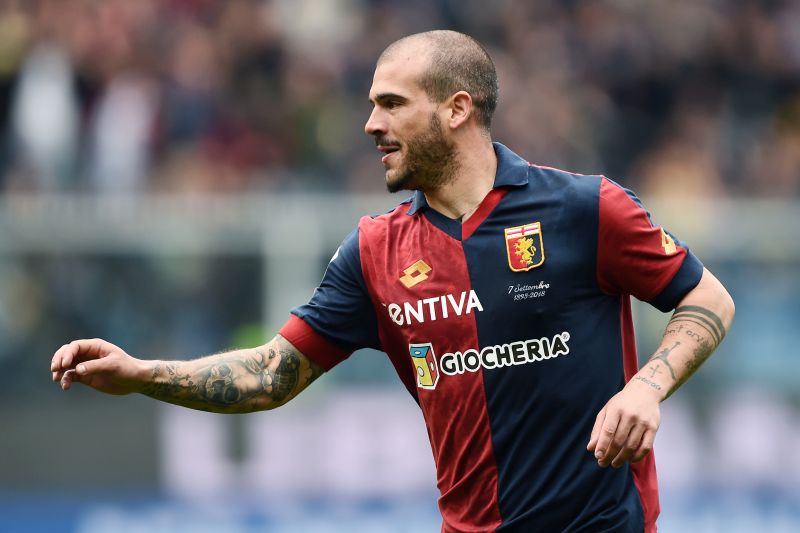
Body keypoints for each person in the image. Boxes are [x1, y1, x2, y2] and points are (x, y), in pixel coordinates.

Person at [51, 30, 735, 533]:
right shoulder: (375, 251)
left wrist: (647, 387)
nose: (371, 124)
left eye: (391, 104)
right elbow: (269, 375)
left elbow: (707, 299)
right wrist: (141, 373)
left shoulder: (584, 208)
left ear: (456, 109)